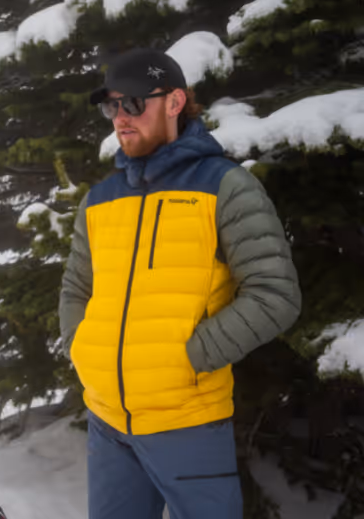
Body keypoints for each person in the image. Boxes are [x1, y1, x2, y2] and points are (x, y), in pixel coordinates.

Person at [58, 48, 301, 519]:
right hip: (107, 421)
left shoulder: (224, 186)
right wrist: (81, 348)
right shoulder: (99, 200)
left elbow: (275, 294)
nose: (120, 119)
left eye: (132, 104)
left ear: (174, 102)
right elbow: (76, 288)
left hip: (187, 422)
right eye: (112, 107)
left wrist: (189, 358)